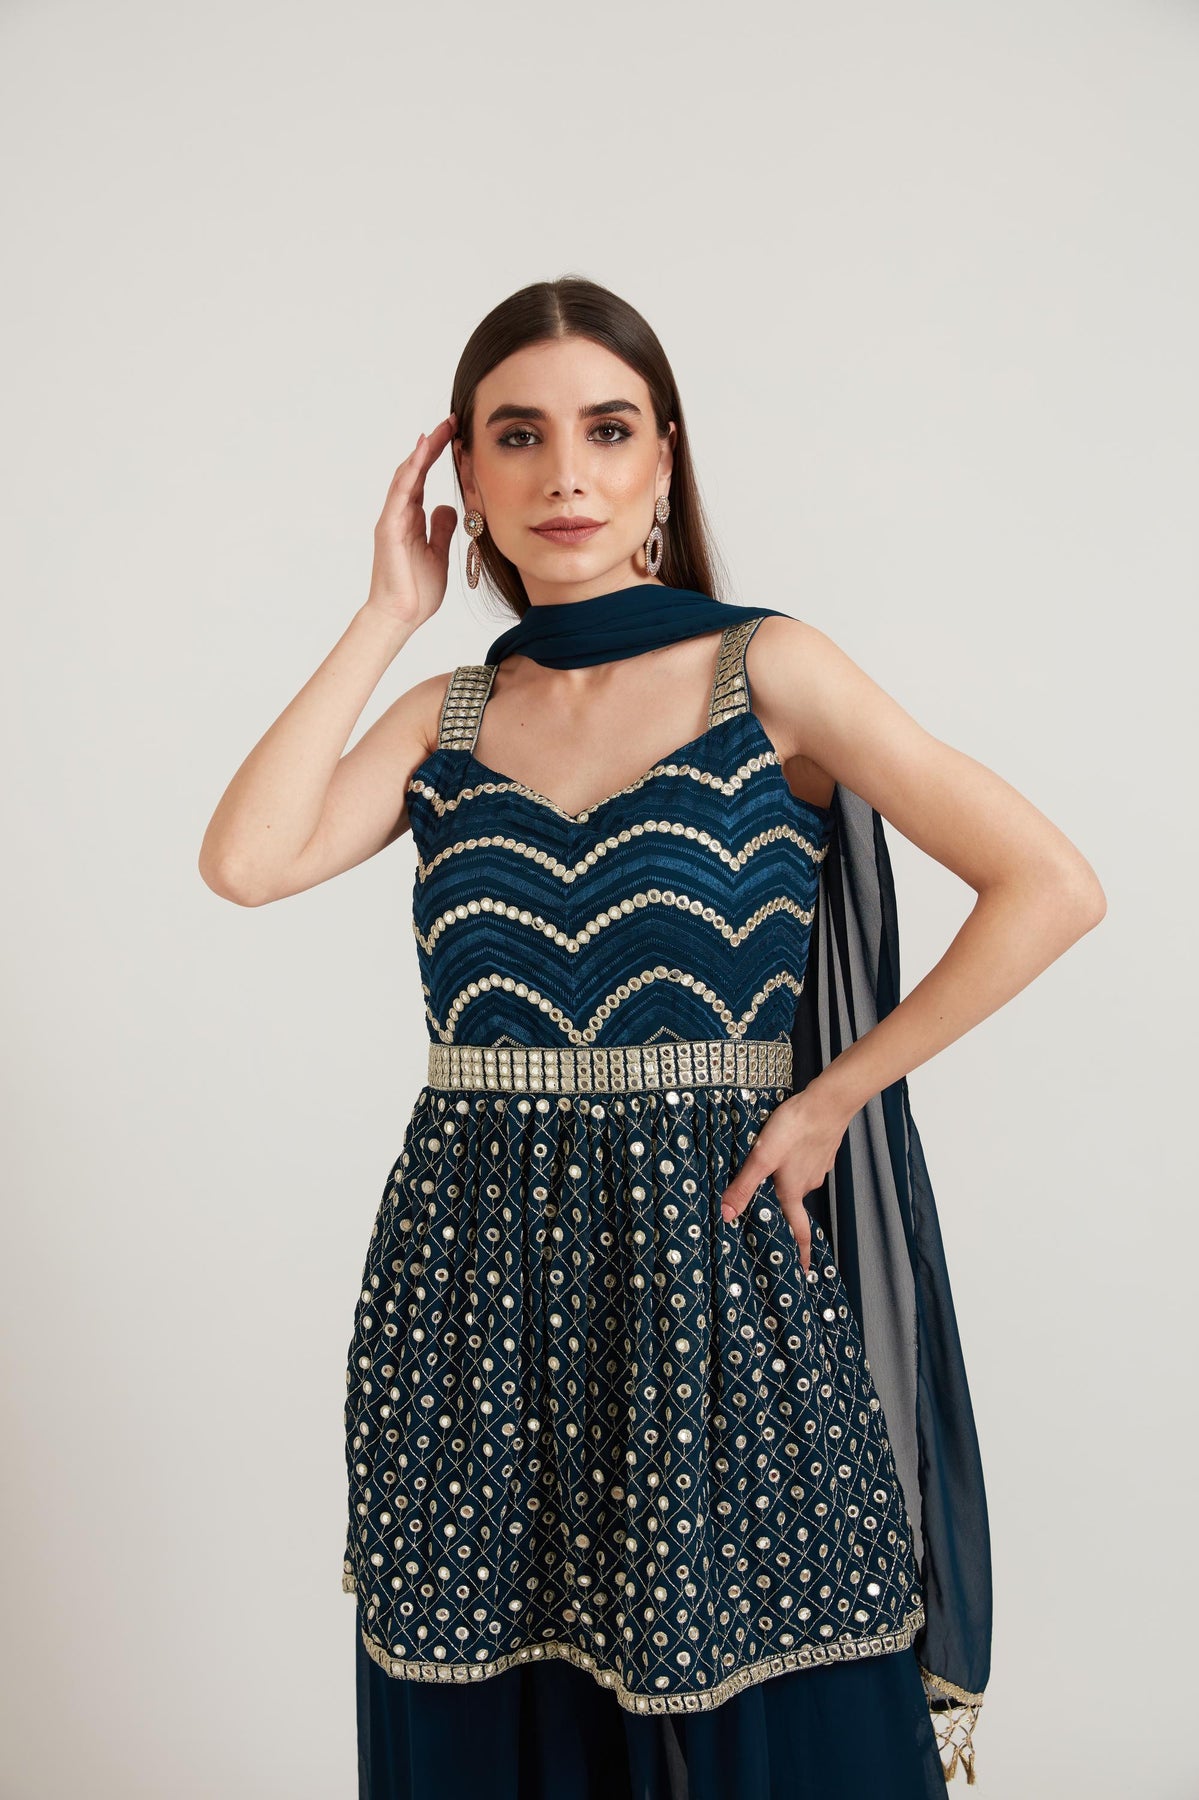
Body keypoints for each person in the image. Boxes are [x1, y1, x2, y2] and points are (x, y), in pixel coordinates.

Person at [199, 276, 1106, 1799]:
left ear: (665, 460)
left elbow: (1051, 886)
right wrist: (386, 614)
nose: (566, 473)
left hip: (716, 1279)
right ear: (464, 473)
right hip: (470, 1294)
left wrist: (832, 1098)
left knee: (777, 1712)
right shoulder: (447, 716)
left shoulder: (770, 673)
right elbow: (247, 861)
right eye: (517, 436)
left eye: (608, 430)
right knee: (495, 1720)